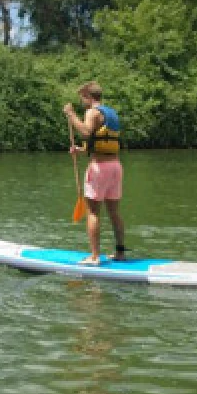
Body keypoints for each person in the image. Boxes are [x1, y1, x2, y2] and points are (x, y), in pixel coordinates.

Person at [63, 81, 126, 265]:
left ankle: (94, 257)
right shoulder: (111, 113)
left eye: (82, 97)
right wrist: (81, 150)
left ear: (88, 96)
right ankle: (120, 253)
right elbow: (100, 140)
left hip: (99, 168)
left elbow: (85, 132)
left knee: (93, 212)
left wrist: (71, 114)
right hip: (115, 166)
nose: (81, 101)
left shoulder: (91, 112)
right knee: (114, 212)